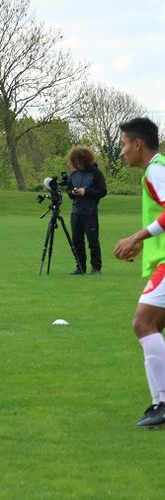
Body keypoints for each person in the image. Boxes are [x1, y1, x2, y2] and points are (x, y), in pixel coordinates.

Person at [114, 117, 165, 428]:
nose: (121, 151)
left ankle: (163, 402)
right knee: (152, 324)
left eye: (123, 144)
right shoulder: (158, 168)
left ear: (137, 144)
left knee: (143, 322)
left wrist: (137, 237)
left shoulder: (156, 170)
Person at [66, 146, 107, 275]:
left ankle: (96, 268)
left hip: (90, 212)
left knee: (92, 240)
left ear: (86, 160)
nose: (78, 164)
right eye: (76, 162)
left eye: (80, 161)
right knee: (76, 241)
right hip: (76, 212)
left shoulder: (96, 174)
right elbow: (68, 191)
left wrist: (86, 192)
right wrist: (73, 192)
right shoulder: (73, 175)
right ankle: (80, 267)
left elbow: (102, 191)